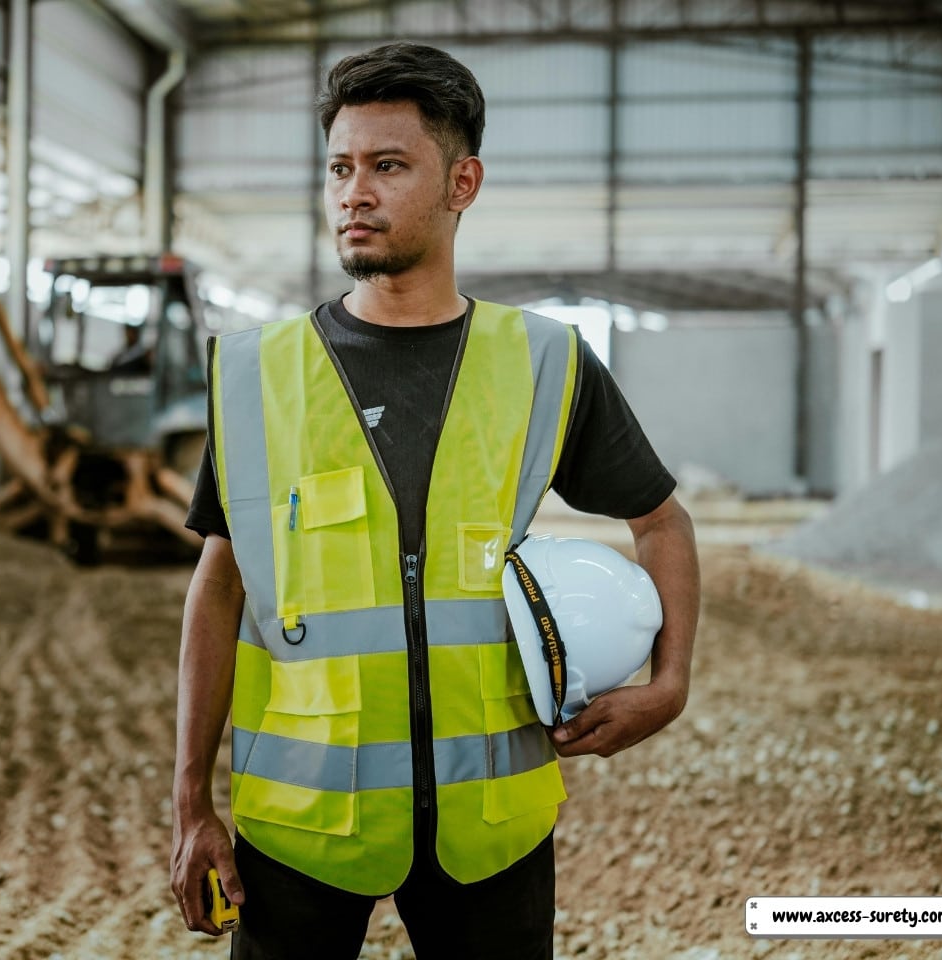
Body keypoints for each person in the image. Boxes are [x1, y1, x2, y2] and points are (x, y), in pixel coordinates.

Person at [170, 41, 700, 960]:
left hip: (488, 825)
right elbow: (220, 585)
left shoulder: (544, 362)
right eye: (339, 167)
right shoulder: (257, 374)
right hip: (302, 828)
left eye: (387, 166)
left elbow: (662, 522)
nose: (353, 193)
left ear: (463, 184)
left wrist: (672, 685)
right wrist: (189, 807)